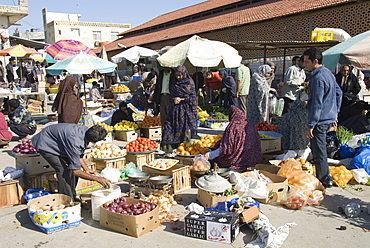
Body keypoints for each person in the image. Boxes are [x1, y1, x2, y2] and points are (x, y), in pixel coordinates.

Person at [31, 124, 112, 201]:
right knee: (63, 170)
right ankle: (66, 199)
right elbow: (76, 171)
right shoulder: (75, 142)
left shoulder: (85, 131)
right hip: (45, 144)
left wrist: (86, 169)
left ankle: (72, 194)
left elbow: (78, 155)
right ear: (94, 141)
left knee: (73, 166)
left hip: (59, 142)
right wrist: (97, 179)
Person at [303, 47, 342, 188]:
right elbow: (339, 93)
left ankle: (325, 180)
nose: (305, 64)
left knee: (319, 151)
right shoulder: (329, 74)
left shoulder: (318, 78)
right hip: (328, 117)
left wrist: (311, 125)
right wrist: (335, 112)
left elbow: (316, 104)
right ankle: (323, 177)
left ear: (315, 61)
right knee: (320, 149)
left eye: (307, 62)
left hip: (320, 120)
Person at [205, 106, 261, 172]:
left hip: (238, 162)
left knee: (219, 159)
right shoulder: (250, 125)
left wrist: (210, 155)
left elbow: (226, 148)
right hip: (253, 160)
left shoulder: (233, 126)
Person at [161, 65, 197, 152]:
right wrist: (174, 99)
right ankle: (168, 150)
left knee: (185, 130)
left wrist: (182, 99)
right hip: (174, 109)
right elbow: (171, 95)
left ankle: (184, 149)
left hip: (186, 111)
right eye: (177, 75)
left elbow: (193, 97)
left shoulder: (189, 82)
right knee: (168, 127)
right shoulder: (174, 82)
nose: (178, 77)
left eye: (180, 75)